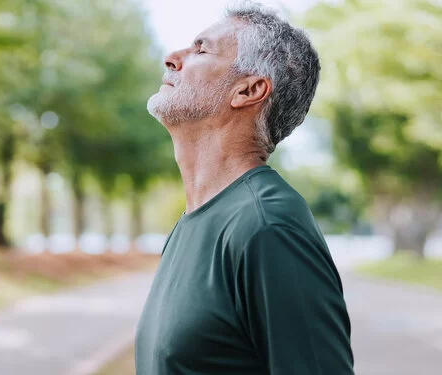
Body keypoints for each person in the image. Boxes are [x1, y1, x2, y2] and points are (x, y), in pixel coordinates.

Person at [134, 1, 355, 374]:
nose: (172, 58)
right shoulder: (194, 220)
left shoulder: (268, 226)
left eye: (201, 49)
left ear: (249, 90)